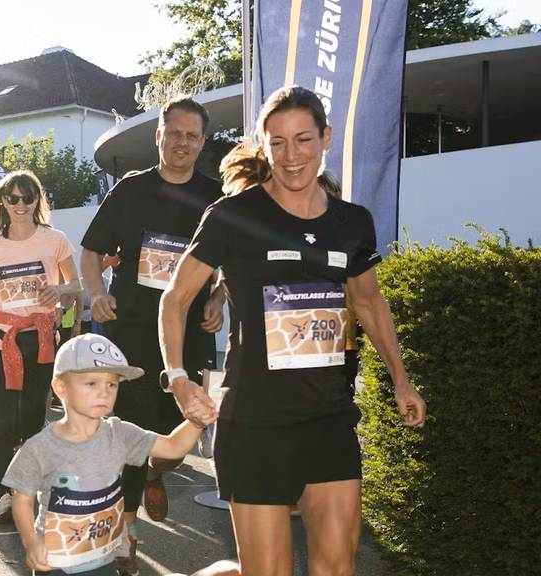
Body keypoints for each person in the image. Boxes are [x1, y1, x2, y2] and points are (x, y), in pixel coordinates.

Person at [160, 85, 426, 576]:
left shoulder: (352, 222)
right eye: (277, 142)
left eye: (303, 139)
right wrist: (176, 376)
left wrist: (401, 379)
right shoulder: (233, 216)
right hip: (255, 426)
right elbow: (174, 299)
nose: (291, 155)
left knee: (337, 569)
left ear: (325, 138)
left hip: (328, 420)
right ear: (263, 147)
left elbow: (368, 300)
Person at [79, 96, 224, 575]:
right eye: (174, 133)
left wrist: (219, 298)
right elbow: (91, 252)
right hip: (136, 329)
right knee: (134, 427)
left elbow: (230, 262)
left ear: (201, 142)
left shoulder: (216, 195)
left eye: (191, 136)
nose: (181, 142)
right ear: (158, 136)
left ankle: (161, 470)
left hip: (190, 333)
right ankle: (126, 532)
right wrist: (97, 292)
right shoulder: (130, 191)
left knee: (178, 427)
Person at [3, 334, 216, 576]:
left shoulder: (119, 433)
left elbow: (172, 446)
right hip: (56, 565)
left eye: (111, 384)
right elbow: (21, 499)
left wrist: (196, 422)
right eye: (91, 383)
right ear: (60, 387)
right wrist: (32, 543)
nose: (104, 392)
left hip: (105, 559)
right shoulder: (40, 447)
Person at [0, 170, 81, 523]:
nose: (21, 205)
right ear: (1, 203)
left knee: (33, 420)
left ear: (38, 201)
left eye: (28, 198)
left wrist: (60, 292)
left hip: (38, 338)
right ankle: (7, 496)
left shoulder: (55, 240)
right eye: (13, 198)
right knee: (5, 420)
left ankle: (32, 488)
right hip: (0, 338)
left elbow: (75, 285)